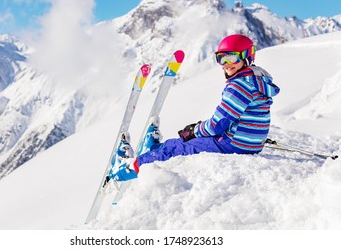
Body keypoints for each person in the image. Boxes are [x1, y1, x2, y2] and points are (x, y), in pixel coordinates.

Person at [109, 34, 280, 182]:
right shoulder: (257, 81)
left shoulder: (239, 86)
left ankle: (125, 169)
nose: (227, 64)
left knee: (174, 148)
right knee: (184, 142)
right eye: (221, 58)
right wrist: (197, 132)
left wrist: (194, 131)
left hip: (233, 145)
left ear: (247, 57)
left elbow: (217, 125)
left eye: (232, 58)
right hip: (250, 144)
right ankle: (154, 152)